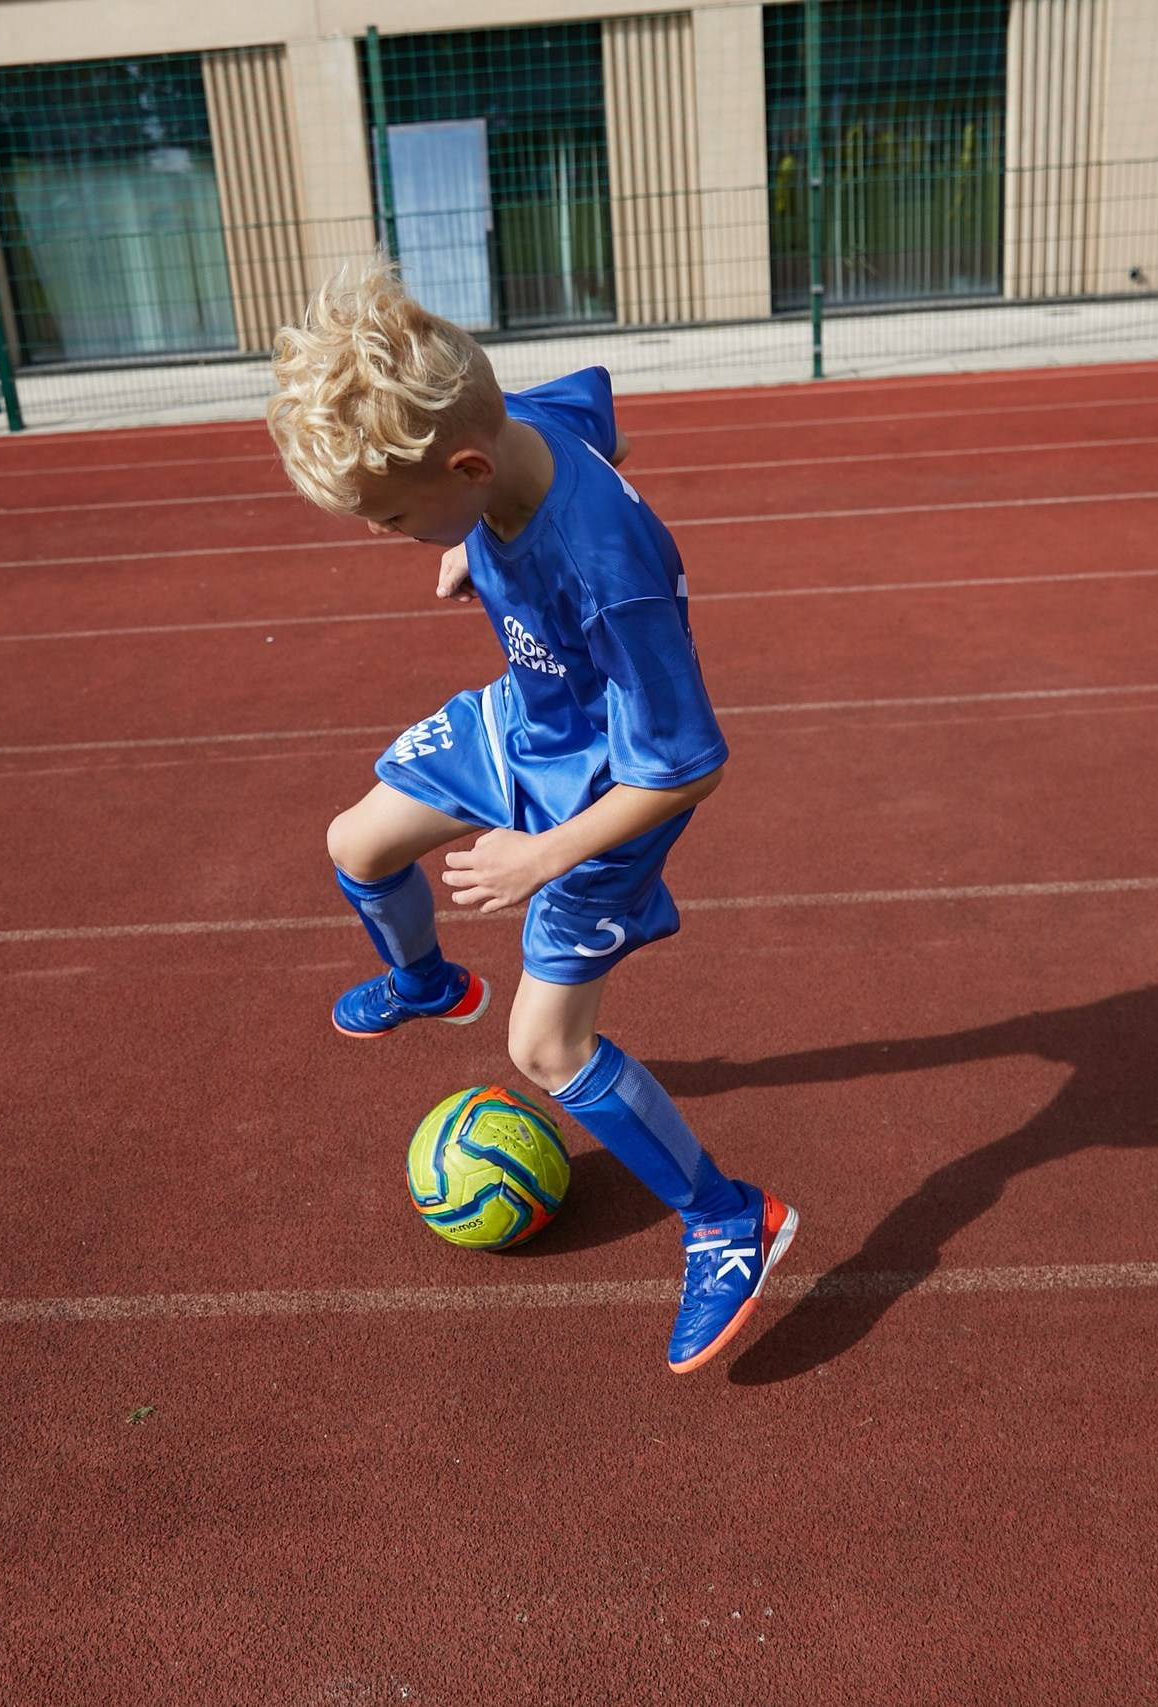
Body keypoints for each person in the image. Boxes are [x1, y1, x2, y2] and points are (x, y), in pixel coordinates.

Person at [266, 264, 795, 1374]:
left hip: (610, 796)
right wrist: (468, 533)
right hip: (528, 717)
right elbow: (592, 409)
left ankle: (726, 1218)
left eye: (393, 517)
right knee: (354, 844)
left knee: (545, 1046)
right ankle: (424, 982)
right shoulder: (513, 426)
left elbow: (691, 765)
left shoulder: (606, 574)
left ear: (460, 466)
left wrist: (540, 859)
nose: (382, 535)